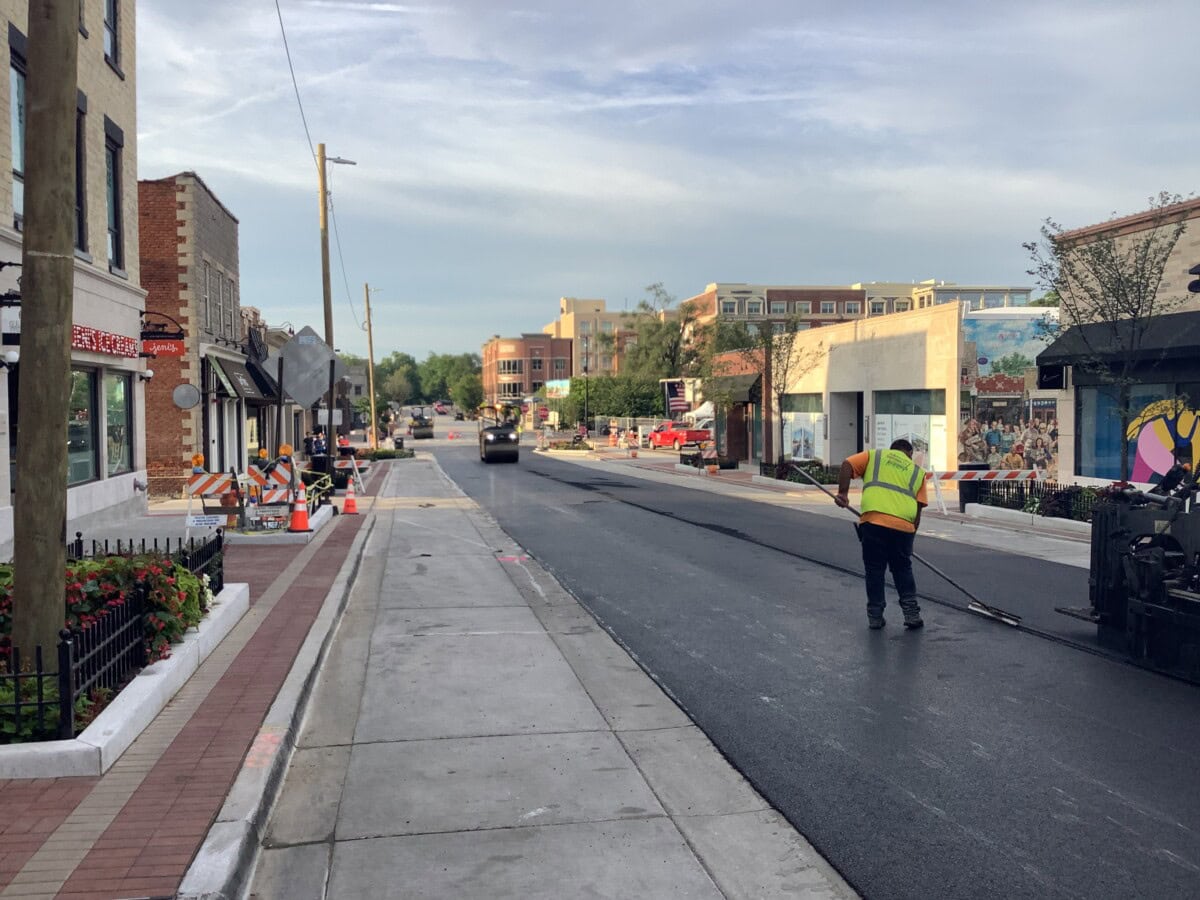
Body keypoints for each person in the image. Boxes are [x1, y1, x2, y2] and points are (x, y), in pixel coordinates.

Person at [836, 438, 928, 630]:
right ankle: (911, 613)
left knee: (875, 570)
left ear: (892, 450)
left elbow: (847, 464)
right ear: (909, 454)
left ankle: (875, 616)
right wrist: (910, 541)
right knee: (902, 569)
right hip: (903, 527)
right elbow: (918, 513)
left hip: (874, 523)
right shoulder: (917, 472)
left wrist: (843, 493)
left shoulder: (875, 456)